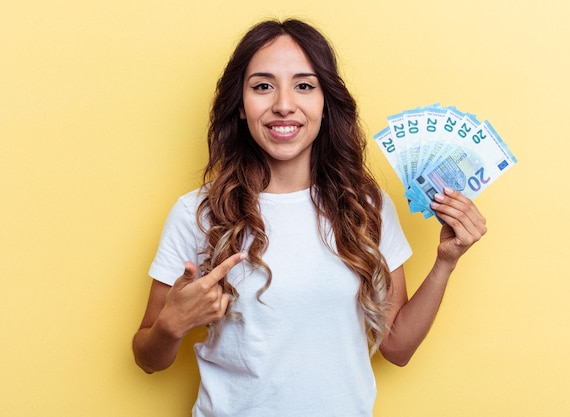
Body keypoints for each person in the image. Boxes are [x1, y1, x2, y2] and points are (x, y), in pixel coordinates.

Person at [132, 18, 486, 417]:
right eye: (263, 86)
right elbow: (148, 358)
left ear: (325, 104)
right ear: (241, 107)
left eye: (304, 85)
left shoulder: (366, 206)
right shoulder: (198, 213)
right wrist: (171, 325)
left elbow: (398, 348)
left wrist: (445, 262)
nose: (284, 104)